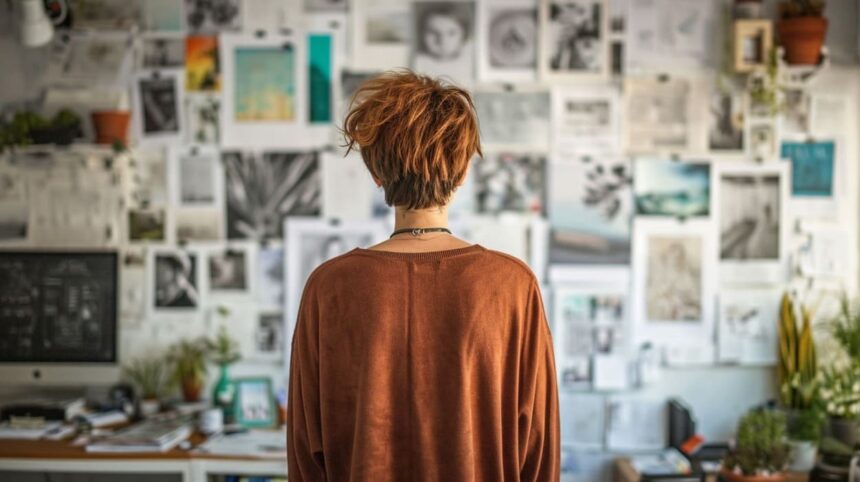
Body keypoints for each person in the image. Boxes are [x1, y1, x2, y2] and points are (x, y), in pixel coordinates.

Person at [286, 70, 560, 481]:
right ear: (464, 172)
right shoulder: (512, 286)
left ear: (377, 175)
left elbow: (306, 453)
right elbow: (538, 447)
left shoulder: (329, 287)